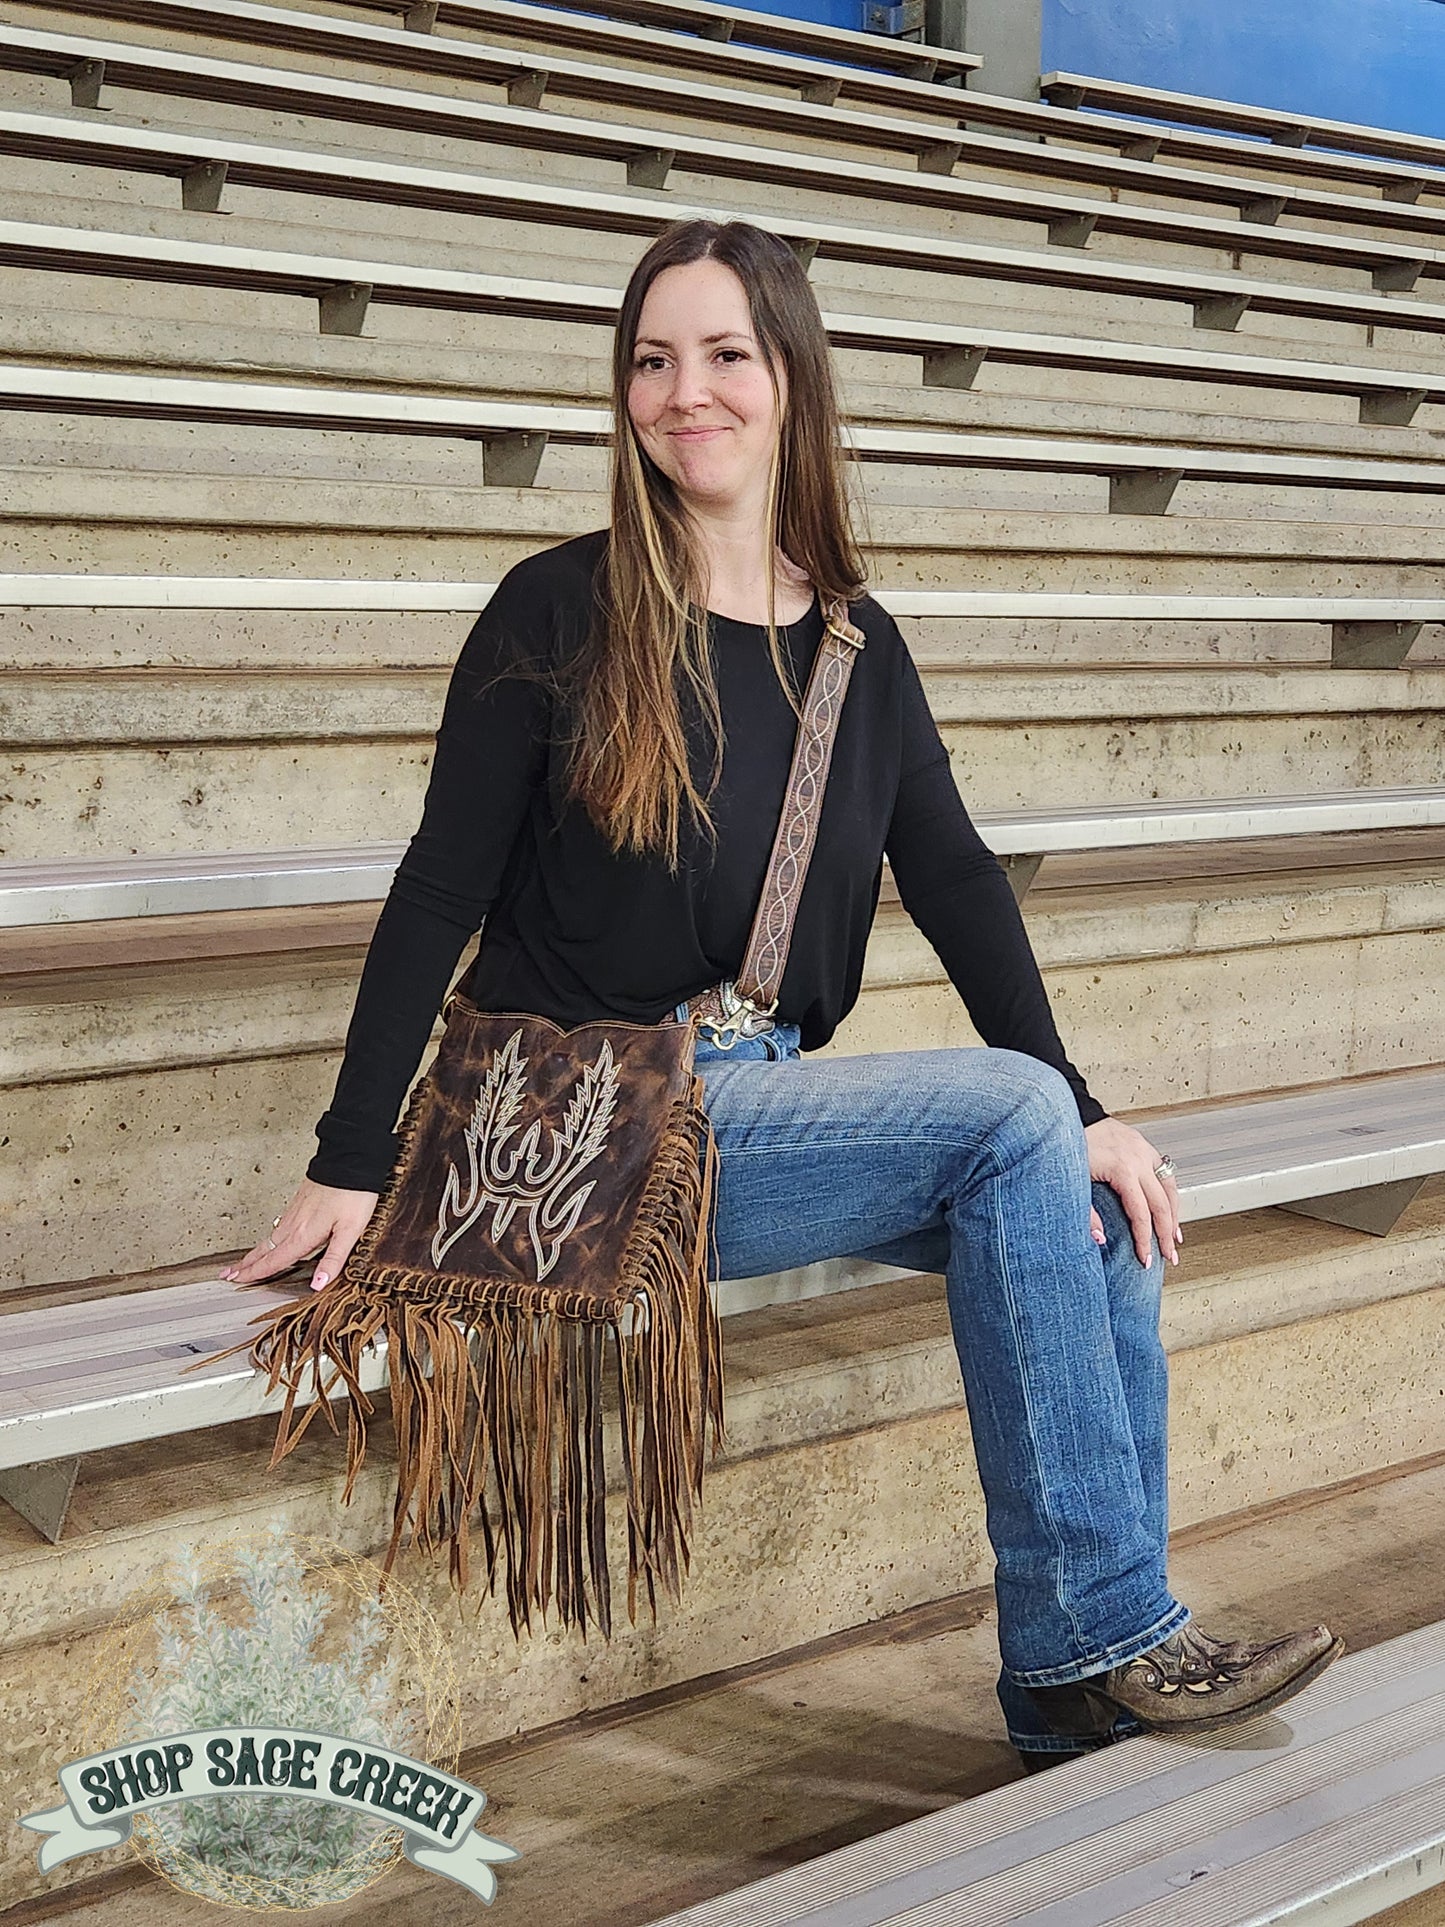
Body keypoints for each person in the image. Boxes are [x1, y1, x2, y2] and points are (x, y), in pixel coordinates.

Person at [221, 216, 1342, 1770]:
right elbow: (438, 886)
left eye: (726, 355)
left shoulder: (858, 648)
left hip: (757, 1098)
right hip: (583, 1131)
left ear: (791, 380)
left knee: (1098, 1218)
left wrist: (1091, 1110)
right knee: (1017, 1121)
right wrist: (353, 1151)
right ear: (622, 393)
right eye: (652, 360)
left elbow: (954, 882)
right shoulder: (554, 609)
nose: (687, 392)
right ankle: (1105, 1636)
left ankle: (1064, 1691)